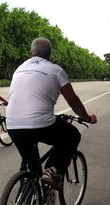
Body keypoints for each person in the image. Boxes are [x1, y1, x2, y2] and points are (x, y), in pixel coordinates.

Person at [6, 37, 97, 189]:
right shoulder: (56, 70)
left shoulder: (19, 68)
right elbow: (73, 100)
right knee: (72, 136)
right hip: (40, 124)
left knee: (30, 163)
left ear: (30, 53)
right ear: (50, 55)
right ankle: (53, 171)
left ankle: (27, 195)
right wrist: (87, 117)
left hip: (12, 124)